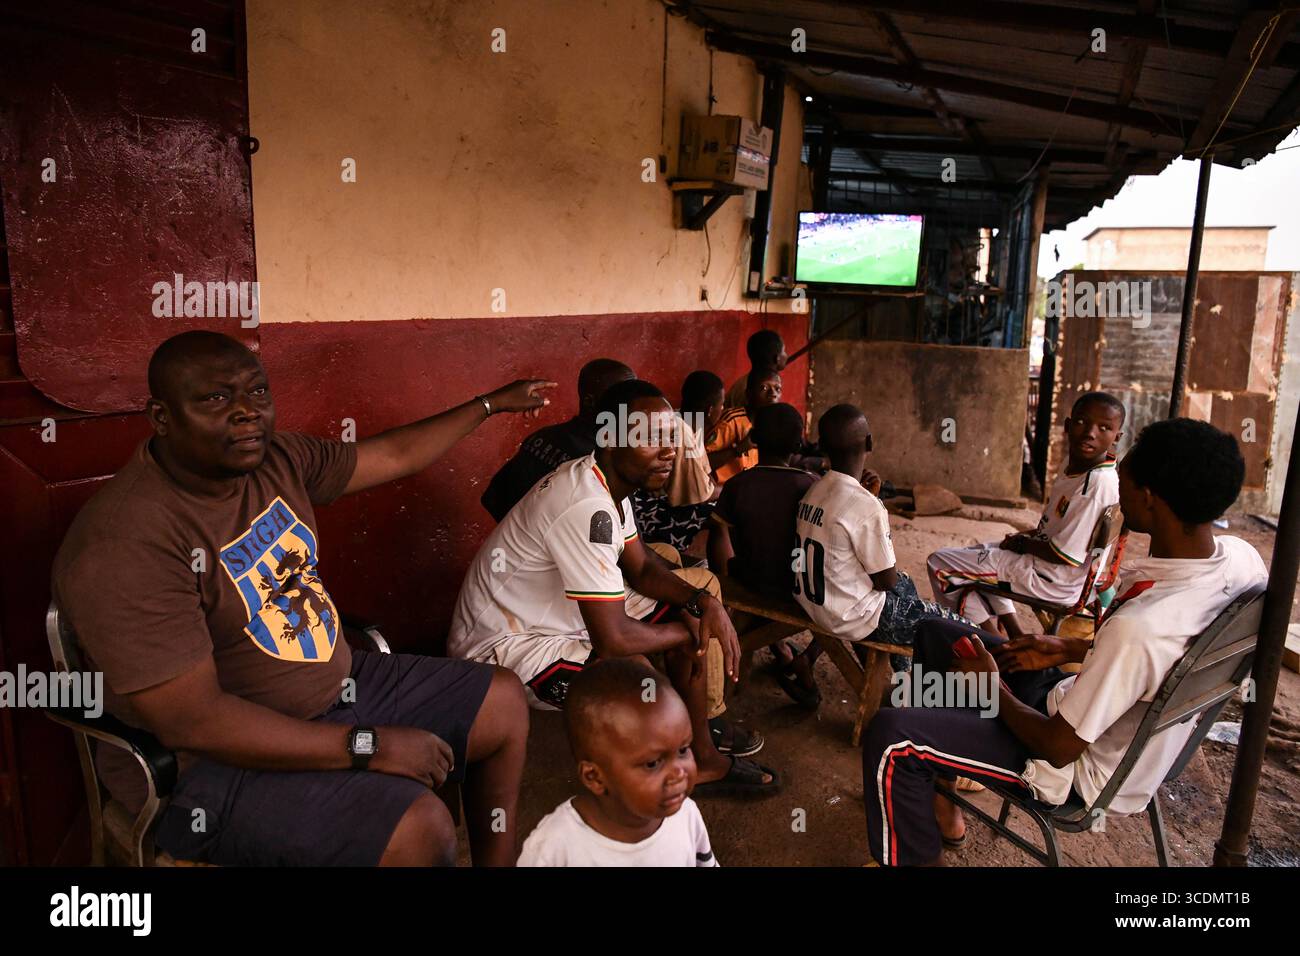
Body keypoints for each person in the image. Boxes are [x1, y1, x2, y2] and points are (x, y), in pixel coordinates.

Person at [52, 330, 554, 866]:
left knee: (502, 702)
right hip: (213, 763)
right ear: (161, 417)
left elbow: (397, 454)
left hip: (338, 687)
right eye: (216, 398)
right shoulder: (127, 542)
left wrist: (490, 404)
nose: (247, 413)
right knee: (420, 828)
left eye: (257, 393)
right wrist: (369, 746)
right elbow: (193, 722)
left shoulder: (277, 460)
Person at [862, 418, 1266, 866]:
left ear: (1149, 498)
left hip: (1072, 766)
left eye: (1125, 480)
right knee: (937, 634)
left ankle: (915, 825)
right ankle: (940, 790)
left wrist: (989, 688)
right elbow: (1162, 659)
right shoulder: (1242, 562)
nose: (1118, 490)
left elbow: (1057, 746)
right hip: (1084, 705)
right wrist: (1073, 650)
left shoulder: (1140, 630)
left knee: (891, 734)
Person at [449, 379, 780, 796]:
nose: (668, 451)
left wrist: (701, 602)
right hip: (506, 648)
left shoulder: (606, 485)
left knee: (684, 617)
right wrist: (693, 630)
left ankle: (705, 759)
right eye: (648, 438)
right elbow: (614, 638)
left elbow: (640, 567)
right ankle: (634, 808)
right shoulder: (586, 505)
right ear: (609, 438)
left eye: (670, 436)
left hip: (557, 618)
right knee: (643, 692)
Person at [788, 404, 968, 690]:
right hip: (852, 617)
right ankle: (913, 687)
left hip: (814, 603)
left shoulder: (815, 490)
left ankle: (902, 680)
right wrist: (873, 502)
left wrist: (865, 497)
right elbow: (885, 580)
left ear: (822, 448)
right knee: (956, 629)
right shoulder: (867, 507)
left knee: (906, 586)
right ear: (869, 443)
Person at [927, 392, 1125, 636]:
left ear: (1117, 437)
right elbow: (1056, 528)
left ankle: (993, 645)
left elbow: (1066, 555)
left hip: (1054, 580)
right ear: (1067, 425)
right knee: (977, 555)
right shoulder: (1076, 465)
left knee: (940, 564)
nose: (1090, 433)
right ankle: (1014, 633)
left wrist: (1022, 543)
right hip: (1051, 569)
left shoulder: (1095, 485)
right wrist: (1021, 540)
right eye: (1082, 422)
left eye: (1104, 427)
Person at [517, 658, 718, 866]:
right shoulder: (554, 849)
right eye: (652, 764)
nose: (678, 773)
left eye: (683, 750)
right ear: (594, 777)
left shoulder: (686, 814)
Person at [480, 358, 633, 522]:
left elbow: (493, 499)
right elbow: (624, 539)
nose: (634, 404)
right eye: (623, 397)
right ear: (590, 402)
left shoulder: (542, 436)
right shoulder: (603, 458)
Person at [706, 368, 782, 484]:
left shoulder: (776, 424)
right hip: (722, 493)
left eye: (778, 389)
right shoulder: (732, 420)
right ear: (749, 394)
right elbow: (701, 463)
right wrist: (737, 449)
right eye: (764, 388)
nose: (773, 394)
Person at [725, 329, 787, 409]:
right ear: (777, 359)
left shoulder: (746, 382)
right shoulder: (750, 388)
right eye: (784, 351)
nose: (786, 355)